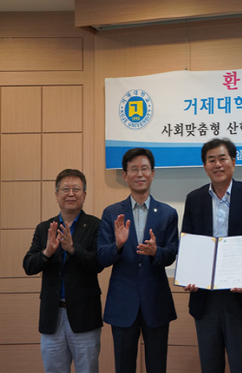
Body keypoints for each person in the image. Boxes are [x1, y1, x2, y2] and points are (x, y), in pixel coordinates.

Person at [183, 138, 242, 373]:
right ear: (205, 166)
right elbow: (189, 243)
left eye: (223, 158)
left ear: (233, 161)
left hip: (240, 297)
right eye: (211, 160)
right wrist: (189, 275)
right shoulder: (194, 199)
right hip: (205, 297)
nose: (217, 164)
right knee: (210, 366)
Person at [97, 148, 179, 373]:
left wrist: (156, 252)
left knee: (157, 367)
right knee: (124, 367)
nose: (140, 174)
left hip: (156, 302)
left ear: (153, 173)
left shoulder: (167, 213)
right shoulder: (111, 213)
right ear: (125, 175)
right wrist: (118, 245)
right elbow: (102, 257)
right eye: (134, 169)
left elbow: (172, 252)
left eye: (144, 169)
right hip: (123, 303)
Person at [23, 169, 103, 373]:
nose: (71, 194)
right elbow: (28, 265)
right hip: (52, 316)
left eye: (76, 189)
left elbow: (98, 263)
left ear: (84, 194)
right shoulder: (44, 228)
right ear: (57, 194)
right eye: (65, 189)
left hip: (85, 316)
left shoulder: (95, 225)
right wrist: (47, 253)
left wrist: (73, 249)